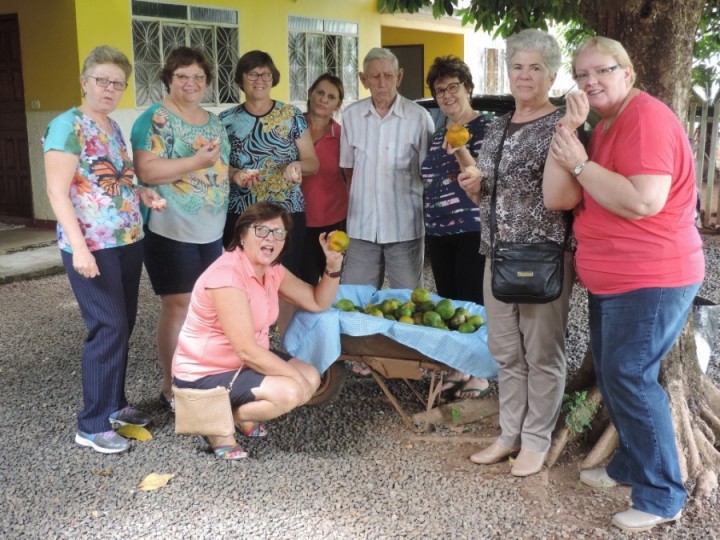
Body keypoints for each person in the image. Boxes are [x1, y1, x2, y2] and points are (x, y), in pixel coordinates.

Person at [543, 36, 704, 533]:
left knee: (631, 377)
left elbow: (643, 200)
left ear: (628, 73)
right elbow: (558, 199)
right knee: (615, 378)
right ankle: (632, 465)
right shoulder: (604, 125)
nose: (591, 81)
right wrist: (570, 136)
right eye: (582, 74)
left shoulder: (647, 118)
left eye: (602, 71)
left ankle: (661, 496)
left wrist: (579, 163)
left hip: (652, 277)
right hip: (617, 279)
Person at [457, 29, 575, 477]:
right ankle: (509, 434)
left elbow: (569, 193)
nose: (524, 76)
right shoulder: (499, 126)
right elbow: (487, 193)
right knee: (506, 352)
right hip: (497, 253)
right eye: (517, 67)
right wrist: (475, 188)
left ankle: (536, 440)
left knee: (543, 354)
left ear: (552, 75)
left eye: (535, 68)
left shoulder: (561, 126)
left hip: (543, 255)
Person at [44, 46, 166, 454]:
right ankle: (92, 423)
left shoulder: (112, 127)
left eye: (118, 83)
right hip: (92, 246)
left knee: (123, 323)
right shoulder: (67, 126)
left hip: (128, 240)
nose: (110, 89)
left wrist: (144, 193)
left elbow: (118, 179)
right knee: (108, 327)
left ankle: (114, 405)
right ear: (84, 82)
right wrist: (79, 248)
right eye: (102, 80)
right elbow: (57, 193)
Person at [172, 201, 344, 460]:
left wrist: (332, 267)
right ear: (242, 235)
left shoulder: (272, 270)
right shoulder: (227, 276)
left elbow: (317, 302)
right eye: (261, 230)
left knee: (311, 376)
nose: (270, 238)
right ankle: (213, 422)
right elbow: (246, 350)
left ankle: (238, 414)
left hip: (243, 364)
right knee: (292, 391)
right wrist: (294, 382)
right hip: (207, 371)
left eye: (278, 232)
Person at [131, 46, 231, 412]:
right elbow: (147, 171)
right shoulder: (155, 119)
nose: (191, 82)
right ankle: (171, 387)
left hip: (211, 229)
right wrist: (196, 161)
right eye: (183, 75)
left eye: (198, 76)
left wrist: (237, 174)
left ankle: (197, 377)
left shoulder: (213, 119)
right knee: (178, 304)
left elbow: (218, 166)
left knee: (205, 307)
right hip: (170, 227)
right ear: (169, 78)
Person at [421, 55, 490, 400]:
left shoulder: (486, 127)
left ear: (468, 88)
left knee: (472, 300)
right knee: (449, 300)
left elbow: (482, 176)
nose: (446, 95)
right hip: (438, 230)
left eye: (453, 87)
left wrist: (461, 150)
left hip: (470, 228)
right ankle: (458, 366)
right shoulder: (438, 134)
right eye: (439, 90)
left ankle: (477, 372)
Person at [340, 47, 435, 290]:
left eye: (388, 75)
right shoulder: (351, 116)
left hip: (405, 227)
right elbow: (349, 169)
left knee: (410, 302)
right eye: (375, 76)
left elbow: (428, 174)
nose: (382, 83)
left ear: (399, 77)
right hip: (361, 227)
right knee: (355, 300)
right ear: (363, 79)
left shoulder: (419, 117)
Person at [220, 50, 319, 276]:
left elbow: (312, 162)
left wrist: (297, 166)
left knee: (284, 277)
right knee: (245, 275)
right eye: (252, 74)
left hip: (286, 211)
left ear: (273, 78)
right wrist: (235, 174)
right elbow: (217, 165)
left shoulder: (291, 115)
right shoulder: (226, 120)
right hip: (242, 212)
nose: (260, 81)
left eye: (265, 75)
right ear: (240, 79)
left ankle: (280, 314)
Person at [298, 73, 349, 284]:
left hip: (332, 219)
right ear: (310, 94)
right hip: (296, 218)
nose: (323, 99)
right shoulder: (292, 127)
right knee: (302, 281)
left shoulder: (343, 136)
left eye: (331, 96)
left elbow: (350, 177)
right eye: (319, 92)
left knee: (331, 281)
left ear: (337, 105)